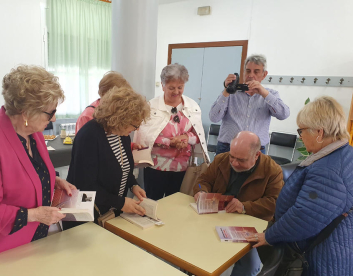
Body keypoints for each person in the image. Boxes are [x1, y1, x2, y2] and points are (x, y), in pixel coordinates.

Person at [0, 65, 76, 263]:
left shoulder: (33, 133)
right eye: (50, 113)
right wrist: (35, 215)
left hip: (32, 240)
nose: (54, 118)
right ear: (26, 113)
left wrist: (53, 180)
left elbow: (25, 172)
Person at [248, 96, 353, 276]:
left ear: (319, 133)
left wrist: (269, 236)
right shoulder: (344, 153)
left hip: (320, 258)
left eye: (302, 130)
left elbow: (305, 216)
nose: (301, 136)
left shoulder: (328, 170)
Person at [193, 131, 283, 276]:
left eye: (241, 160)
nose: (234, 163)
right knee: (198, 251)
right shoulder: (221, 159)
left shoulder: (272, 170)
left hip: (248, 224)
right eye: (232, 157)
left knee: (249, 267)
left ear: (257, 155)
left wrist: (244, 207)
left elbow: (275, 202)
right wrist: (201, 191)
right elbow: (201, 181)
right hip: (214, 218)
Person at [66, 86, 150, 229]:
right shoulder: (89, 136)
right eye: (134, 124)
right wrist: (121, 203)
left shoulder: (121, 134)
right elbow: (85, 185)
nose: (136, 129)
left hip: (109, 211)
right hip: (87, 216)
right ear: (120, 118)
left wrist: (133, 184)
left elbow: (124, 166)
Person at [133, 63, 209, 201]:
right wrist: (169, 142)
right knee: (153, 200)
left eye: (180, 87)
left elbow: (198, 135)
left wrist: (186, 138)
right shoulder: (151, 106)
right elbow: (144, 136)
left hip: (182, 168)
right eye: (171, 88)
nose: (176, 92)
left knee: (176, 203)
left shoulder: (192, 106)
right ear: (162, 85)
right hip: (156, 167)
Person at [209, 54, 290, 154]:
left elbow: (284, 115)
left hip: (256, 150)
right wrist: (226, 90)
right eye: (248, 71)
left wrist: (264, 93)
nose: (251, 75)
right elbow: (213, 117)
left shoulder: (271, 94)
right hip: (227, 148)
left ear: (264, 75)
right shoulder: (231, 93)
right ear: (243, 73)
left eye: (256, 71)